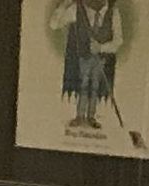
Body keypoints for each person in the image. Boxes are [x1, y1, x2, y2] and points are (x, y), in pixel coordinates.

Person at [50, 0, 123, 135]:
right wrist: (63, 6)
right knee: (83, 84)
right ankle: (79, 116)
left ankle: (91, 117)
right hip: (83, 56)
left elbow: (118, 41)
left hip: (100, 58)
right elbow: (54, 25)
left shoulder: (113, 12)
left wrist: (101, 47)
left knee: (95, 85)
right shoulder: (76, 9)